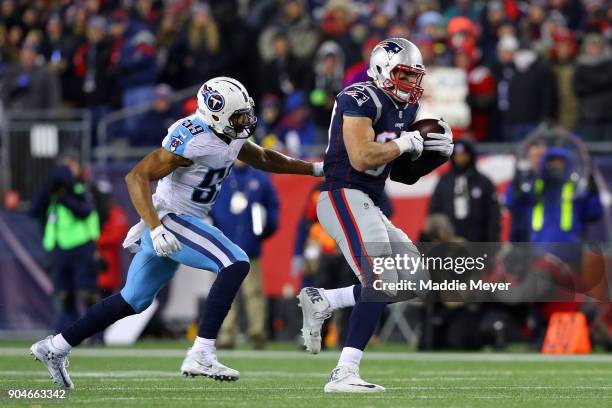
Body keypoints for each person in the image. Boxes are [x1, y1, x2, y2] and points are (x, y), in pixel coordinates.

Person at [30, 77, 324, 390]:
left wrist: (314, 170)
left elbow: (263, 157)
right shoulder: (192, 139)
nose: (246, 121)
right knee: (235, 262)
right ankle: (202, 351)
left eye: (245, 113)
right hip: (171, 218)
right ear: (215, 115)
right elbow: (136, 177)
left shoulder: (230, 134)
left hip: (184, 220)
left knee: (134, 300)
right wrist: (155, 228)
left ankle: (56, 347)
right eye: (238, 116)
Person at [297, 38, 454, 392]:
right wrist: (404, 144)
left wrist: (431, 156)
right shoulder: (357, 97)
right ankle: (344, 373)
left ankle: (327, 300)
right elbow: (362, 158)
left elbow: (400, 174)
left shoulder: (407, 111)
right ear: (382, 69)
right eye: (403, 74)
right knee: (380, 280)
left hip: (369, 199)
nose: (411, 83)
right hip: (342, 195)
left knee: (414, 280)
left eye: (415, 76)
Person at [211, 159, 280, 349]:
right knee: (224, 291)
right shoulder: (221, 176)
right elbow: (208, 208)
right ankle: (226, 333)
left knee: (254, 291)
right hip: (222, 246)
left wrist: (263, 232)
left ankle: (258, 332)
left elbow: (273, 210)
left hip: (250, 247)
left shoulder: (261, 178)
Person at [29, 154, 101, 333]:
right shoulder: (49, 195)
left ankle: (96, 333)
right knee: (64, 295)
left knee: (87, 292)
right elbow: (34, 210)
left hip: (81, 246)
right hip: (59, 248)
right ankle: (67, 332)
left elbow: (85, 211)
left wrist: (65, 197)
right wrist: (48, 191)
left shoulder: (80, 190)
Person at [429, 139, 501, 243]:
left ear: (470, 155)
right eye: (457, 155)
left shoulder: (483, 182)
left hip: (478, 241)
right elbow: (434, 211)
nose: (460, 158)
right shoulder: (444, 181)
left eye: (463, 154)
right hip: (449, 241)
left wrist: (493, 241)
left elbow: (493, 214)